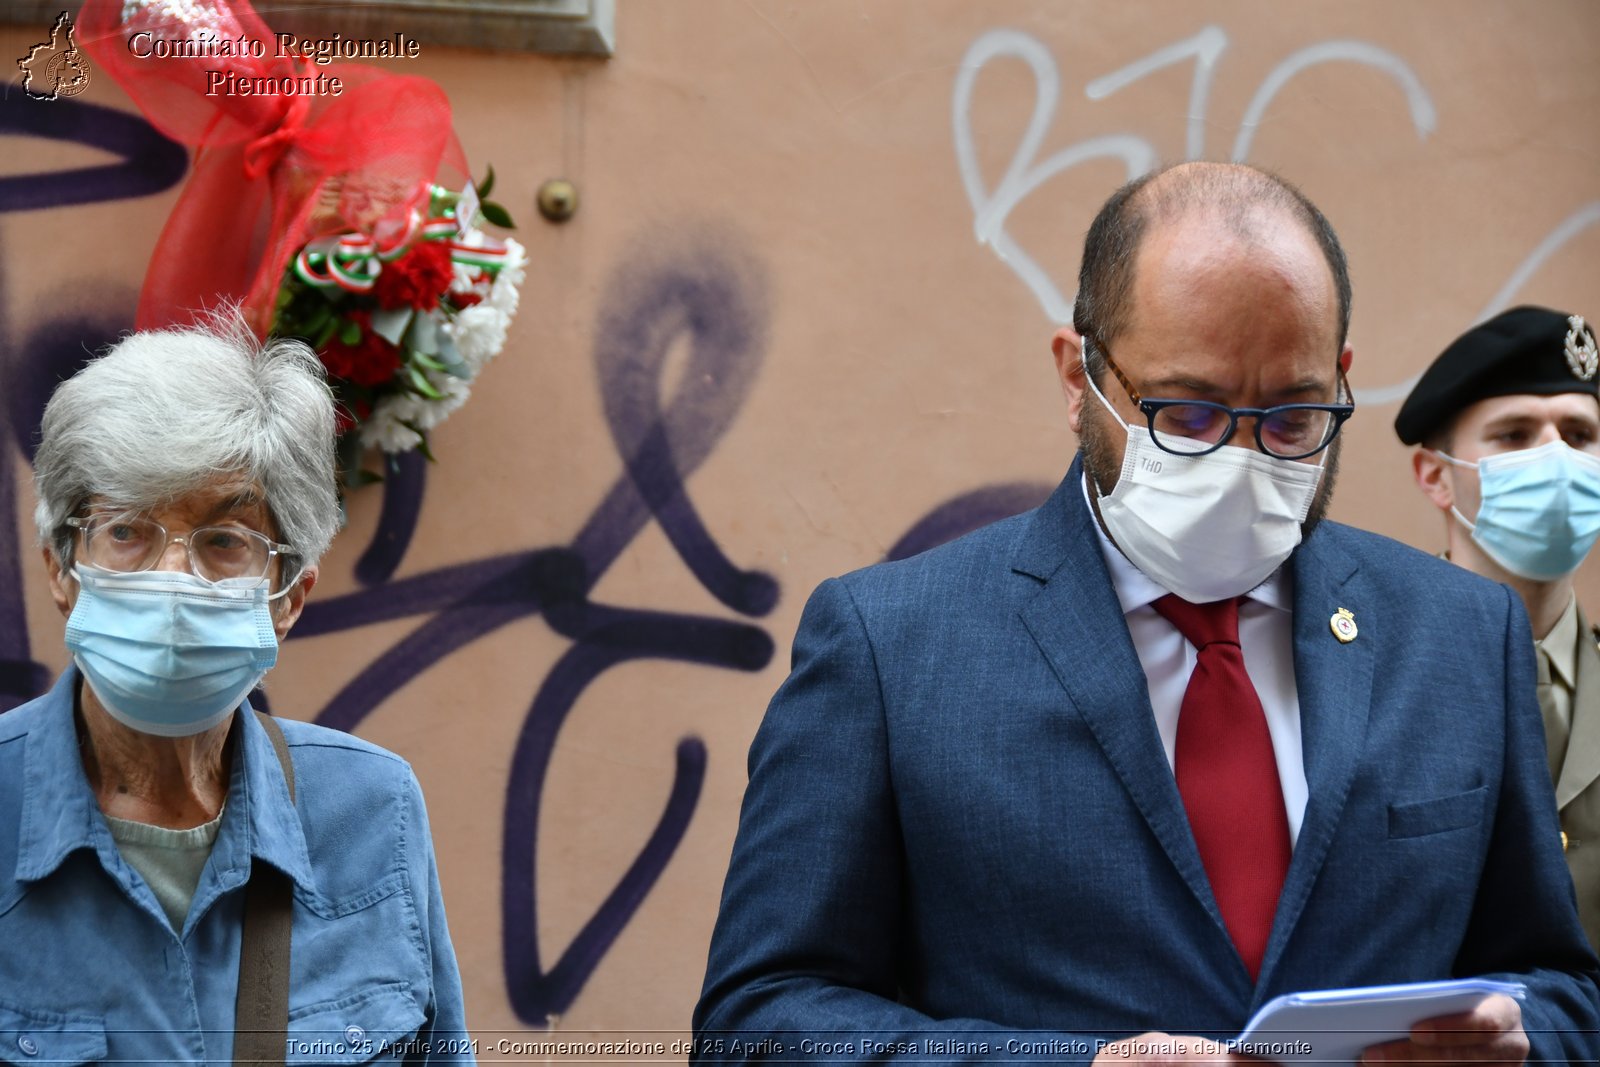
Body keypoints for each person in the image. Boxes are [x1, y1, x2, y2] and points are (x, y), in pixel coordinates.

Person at [693, 163, 1599, 1064]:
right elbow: (758, 1021)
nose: (1240, 459)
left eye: (1291, 418)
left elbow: (1559, 985)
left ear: (1341, 375)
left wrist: (1526, 1039)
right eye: (1189, 413)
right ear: (1077, 375)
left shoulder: (1462, 634)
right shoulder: (892, 645)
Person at [0, 314, 474, 1062]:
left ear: (289, 595)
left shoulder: (371, 809)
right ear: (62, 567)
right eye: (126, 531)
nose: (172, 579)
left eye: (225, 541)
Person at [1395, 306, 1600, 953]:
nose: (1556, 459)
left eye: (1579, 433)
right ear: (1436, 476)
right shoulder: (1374, 678)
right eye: (1514, 435)